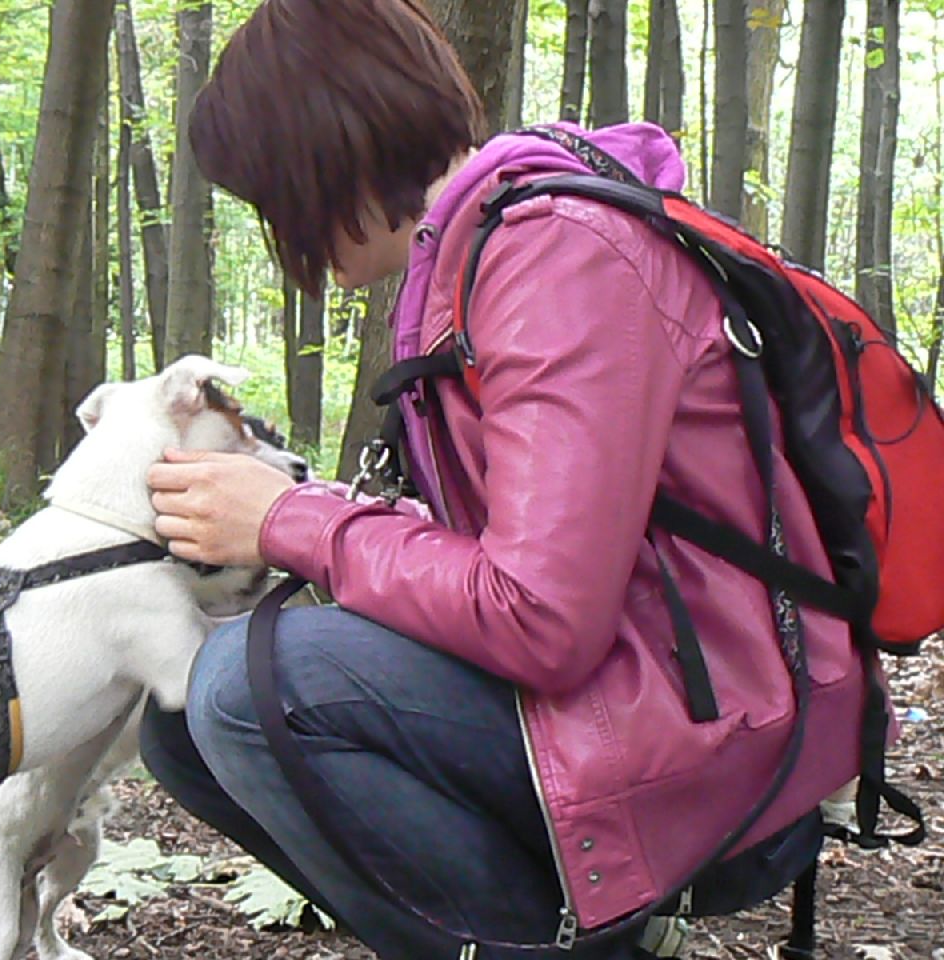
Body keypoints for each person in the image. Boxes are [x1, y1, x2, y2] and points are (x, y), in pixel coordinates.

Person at [141, 1, 868, 957]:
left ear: (322, 157)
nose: (282, 234)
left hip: (719, 748)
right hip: (636, 693)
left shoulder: (555, 256)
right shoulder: (477, 257)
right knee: (180, 720)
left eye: (272, 199)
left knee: (246, 686)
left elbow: (541, 618)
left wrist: (294, 522)